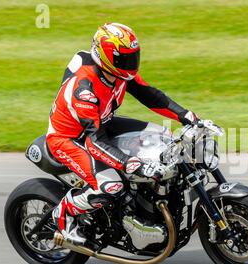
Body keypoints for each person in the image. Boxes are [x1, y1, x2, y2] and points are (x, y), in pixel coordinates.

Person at [46, 23, 198, 245]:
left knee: (165, 136)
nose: (131, 64)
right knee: (112, 186)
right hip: (70, 138)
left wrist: (186, 115)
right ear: (106, 58)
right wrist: (129, 163)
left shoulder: (118, 74)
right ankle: (64, 214)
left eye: (133, 57)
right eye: (124, 59)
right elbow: (94, 142)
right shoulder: (85, 89)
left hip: (102, 124)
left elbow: (150, 95)